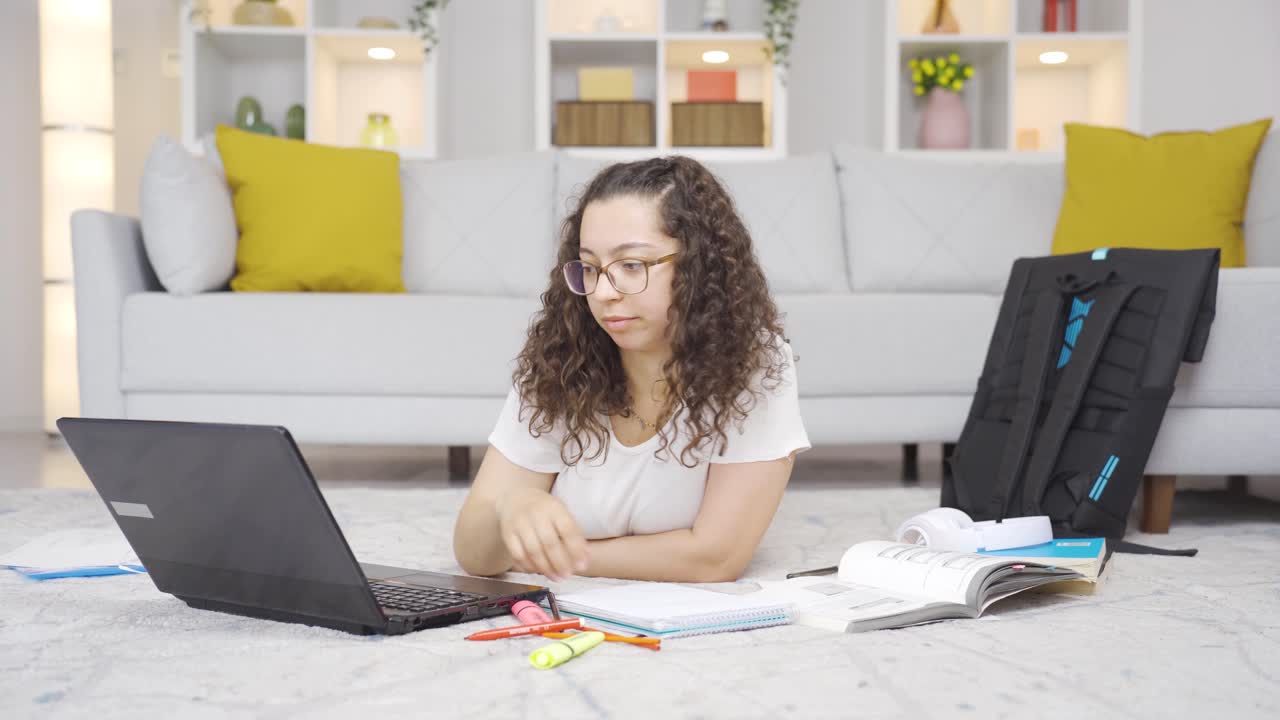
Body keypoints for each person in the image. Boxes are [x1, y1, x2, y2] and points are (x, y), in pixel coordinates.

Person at [452, 156, 809, 583]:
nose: (602, 293)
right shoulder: (562, 356)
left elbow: (715, 558)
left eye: (632, 266)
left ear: (698, 266)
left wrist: (547, 555)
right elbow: (472, 551)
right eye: (590, 267)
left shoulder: (754, 364)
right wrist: (510, 508)